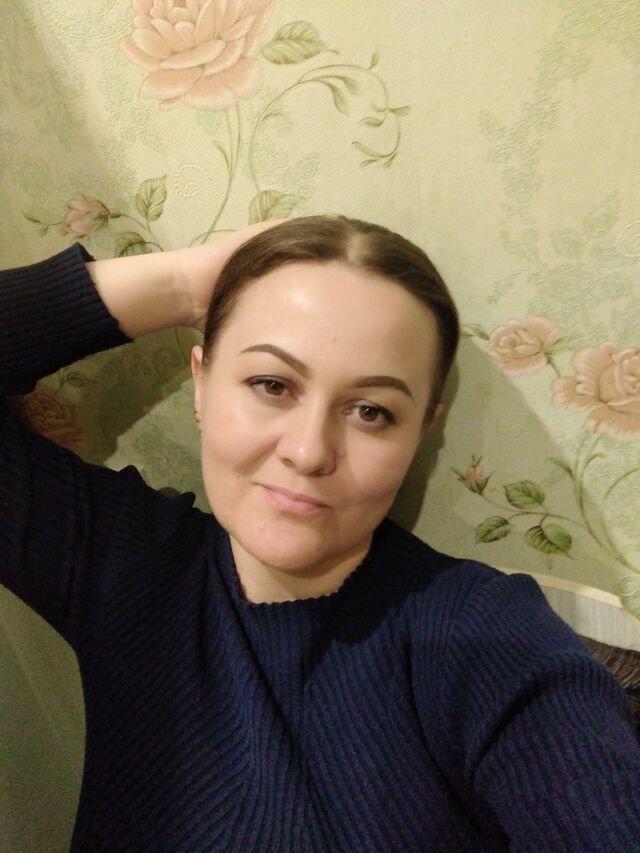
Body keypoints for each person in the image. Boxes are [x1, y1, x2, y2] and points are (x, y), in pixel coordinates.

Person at [1, 215, 639, 851]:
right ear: (202, 384)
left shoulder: (486, 639)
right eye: (271, 384)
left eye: (371, 411)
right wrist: (182, 285)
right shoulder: (122, 565)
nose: (308, 453)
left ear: (421, 430)